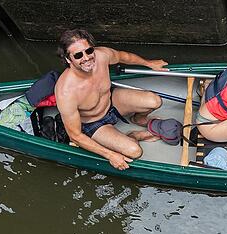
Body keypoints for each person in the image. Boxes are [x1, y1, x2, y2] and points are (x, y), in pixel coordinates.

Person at [54, 29, 168, 171]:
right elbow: (75, 136)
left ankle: (138, 119)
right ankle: (133, 136)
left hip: (111, 102)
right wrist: (110, 155)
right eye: (78, 55)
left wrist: (149, 63)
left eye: (89, 51)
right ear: (68, 59)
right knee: (134, 151)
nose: (86, 58)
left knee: (155, 101)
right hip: (92, 123)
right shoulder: (66, 91)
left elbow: (123, 56)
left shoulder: (102, 56)